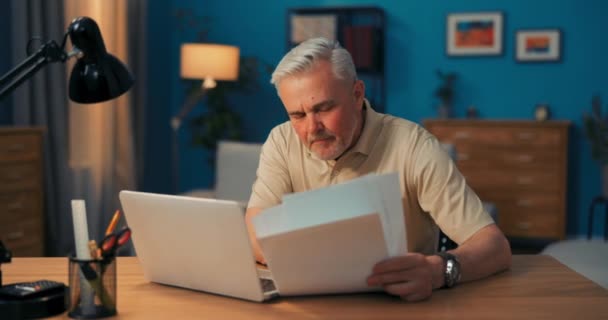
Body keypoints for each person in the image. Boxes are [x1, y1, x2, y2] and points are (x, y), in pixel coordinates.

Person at [245, 37, 511, 302]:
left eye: (323, 108)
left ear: (357, 94)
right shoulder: (281, 141)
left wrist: (438, 271)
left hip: (399, 305)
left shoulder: (415, 146)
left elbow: (494, 247)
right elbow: (256, 230)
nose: (311, 128)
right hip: (310, 306)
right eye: (297, 115)